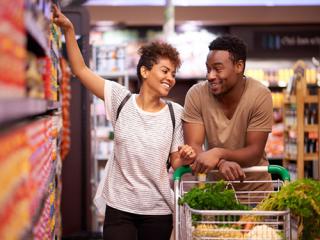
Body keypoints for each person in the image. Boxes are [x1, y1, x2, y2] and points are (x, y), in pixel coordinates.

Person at [52, 5, 196, 240]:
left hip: (157, 210)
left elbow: (174, 160)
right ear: (145, 71)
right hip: (120, 208)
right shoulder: (120, 99)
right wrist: (68, 29)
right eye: (165, 71)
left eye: (173, 73)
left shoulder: (174, 113)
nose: (170, 78)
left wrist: (187, 156)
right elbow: (80, 69)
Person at [182, 35, 274, 191]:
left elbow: (254, 152)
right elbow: (194, 147)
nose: (210, 76)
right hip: (216, 193)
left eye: (217, 69)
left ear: (239, 66)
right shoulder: (196, 94)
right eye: (208, 69)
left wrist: (218, 153)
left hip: (256, 193)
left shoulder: (260, 95)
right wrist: (221, 162)